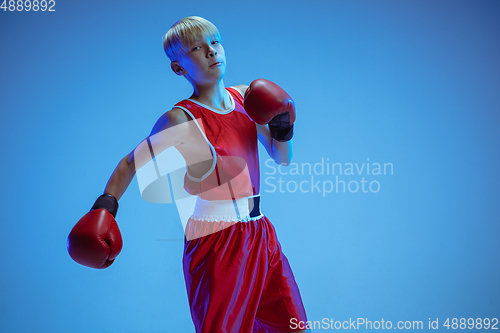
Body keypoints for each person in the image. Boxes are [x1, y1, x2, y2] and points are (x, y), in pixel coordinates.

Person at [68, 16, 311, 333]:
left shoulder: (247, 99)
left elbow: (282, 159)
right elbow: (131, 162)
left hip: (261, 232)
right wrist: (105, 208)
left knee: (292, 327)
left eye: (215, 42)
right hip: (217, 240)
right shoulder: (180, 118)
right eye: (197, 48)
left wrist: (283, 129)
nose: (211, 52)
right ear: (179, 67)